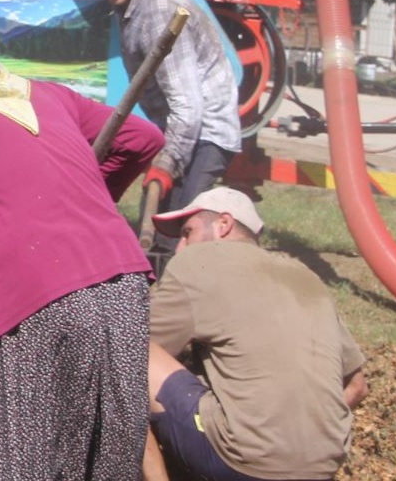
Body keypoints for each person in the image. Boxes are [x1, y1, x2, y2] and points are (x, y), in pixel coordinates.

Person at [0, 16, 165, 480]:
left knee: (14, 459)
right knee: (109, 458)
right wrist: (88, 195)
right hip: (124, 284)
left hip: (30, 296)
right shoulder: (49, 95)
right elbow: (144, 139)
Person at [144, 187, 368, 481]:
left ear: (223, 224)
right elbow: (357, 386)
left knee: (130, 350)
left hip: (241, 461)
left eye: (188, 232)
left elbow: (136, 353)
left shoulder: (196, 263)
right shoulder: (305, 276)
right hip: (323, 465)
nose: (180, 247)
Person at [78, 0, 242, 261]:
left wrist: (168, 162)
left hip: (205, 131)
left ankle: (190, 297)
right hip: (180, 129)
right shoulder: (131, 3)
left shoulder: (160, 11)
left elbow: (188, 104)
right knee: (159, 226)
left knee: (183, 233)